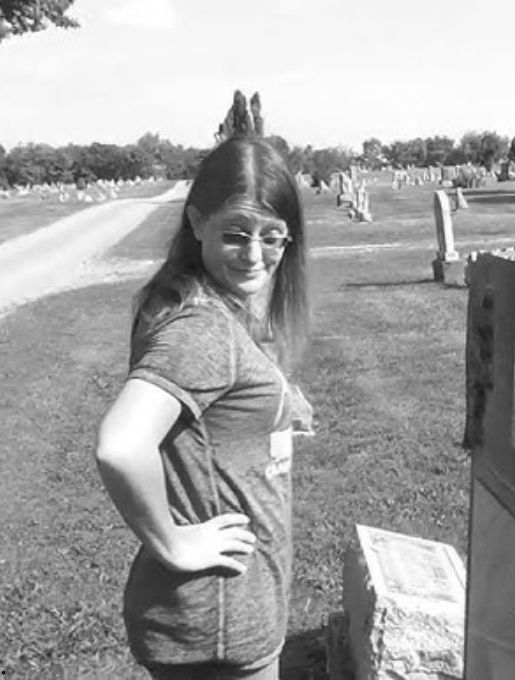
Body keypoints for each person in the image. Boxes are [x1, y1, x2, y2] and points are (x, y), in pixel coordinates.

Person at [95, 136, 312, 679]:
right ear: (197, 222)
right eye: (236, 234)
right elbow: (121, 447)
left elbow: (209, 414)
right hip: (221, 615)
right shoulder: (201, 328)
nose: (256, 255)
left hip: (226, 611)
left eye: (272, 237)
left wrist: (278, 404)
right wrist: (173, 542)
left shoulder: (203, 306)